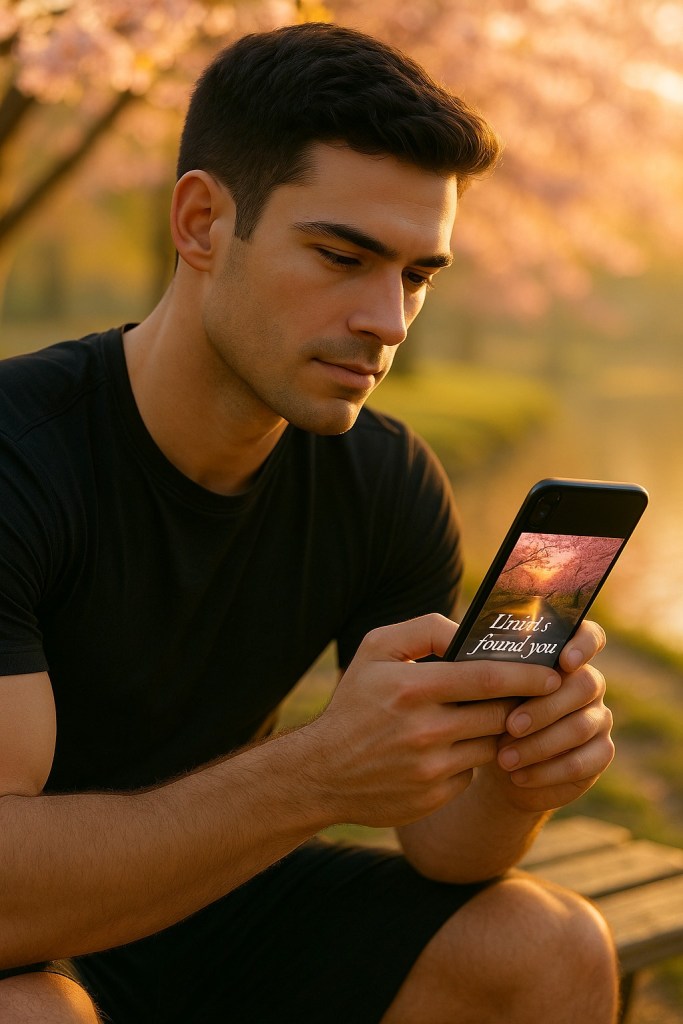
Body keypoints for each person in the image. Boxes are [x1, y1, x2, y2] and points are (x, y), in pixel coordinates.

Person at [0, 22, 619, 1024]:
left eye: (417, 275)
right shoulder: (18, 457)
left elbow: (441, 845)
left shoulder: (384, 480)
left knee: (544, 946)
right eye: (342, 254)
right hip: (38, 925)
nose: (388, 319)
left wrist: (516, 778)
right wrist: (317, 772)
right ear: (201, 223)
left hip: (216, 892)